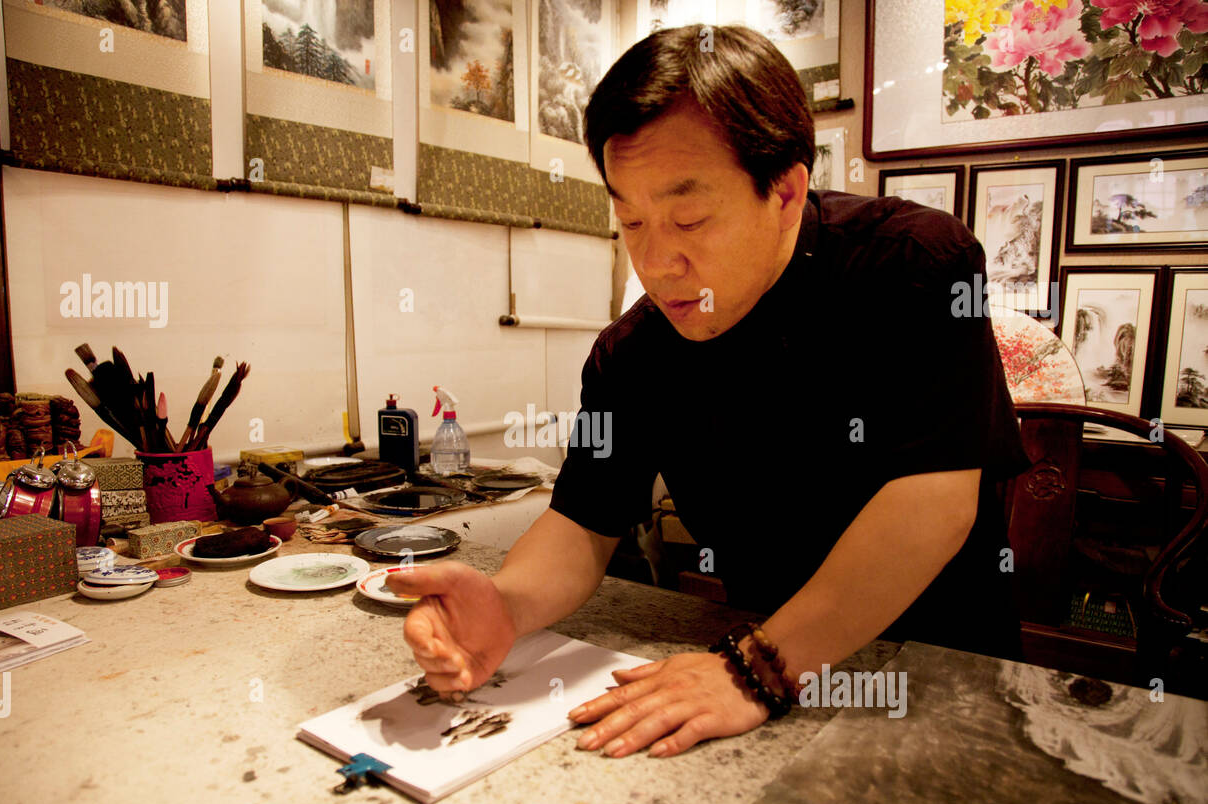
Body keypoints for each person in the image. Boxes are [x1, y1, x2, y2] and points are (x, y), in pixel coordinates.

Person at [390, 24, 1029, 759]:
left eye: (688, 217)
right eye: (630, 220)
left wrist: (758, 669)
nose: (657, 264)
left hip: (942, 677)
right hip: (755, 675)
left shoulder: (915, 264)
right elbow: (582, 523)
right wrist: (506, 604)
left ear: (786, 190)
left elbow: (932, 504)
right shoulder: (630, 355)